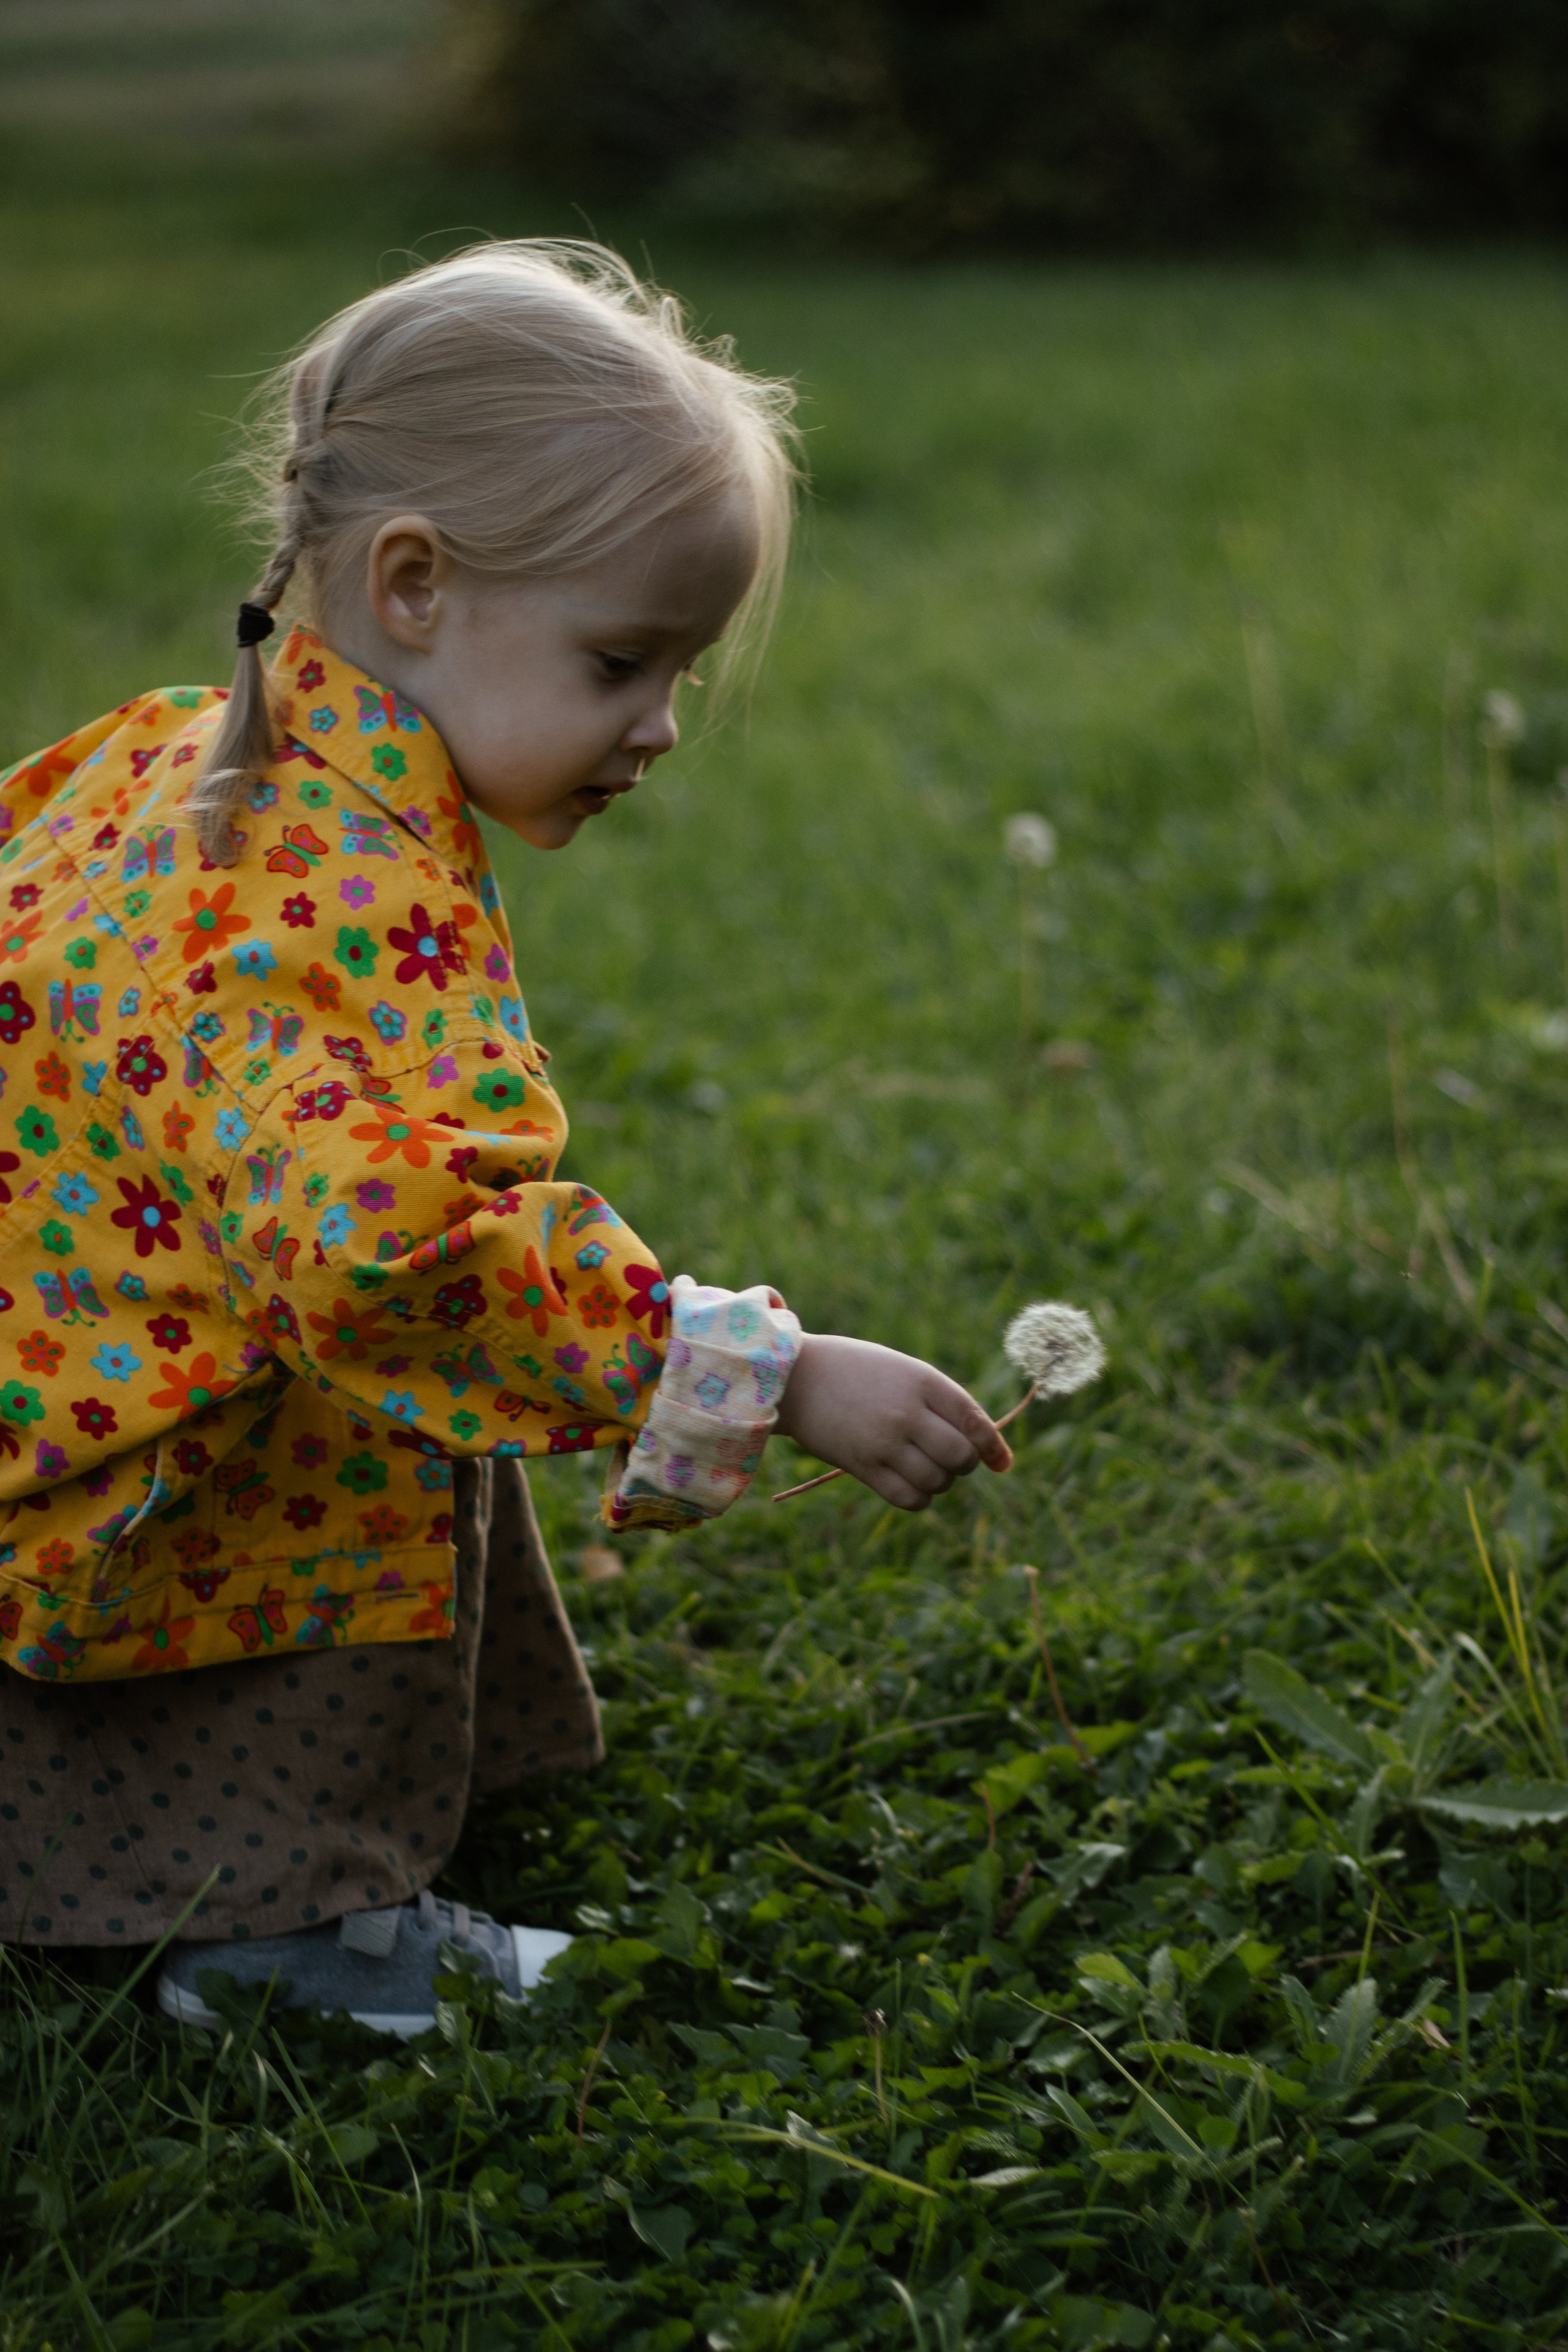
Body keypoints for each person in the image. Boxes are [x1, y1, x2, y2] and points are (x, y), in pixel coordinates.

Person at [0, 241, 1011, 2034]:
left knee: (366, 1408)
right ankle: (272, 1936)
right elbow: (414, 1267)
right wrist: (758, 1374)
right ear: (412, 585)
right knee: (349, 1429)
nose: (664, 724)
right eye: (622, 658)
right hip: (150, 1468)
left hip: (65, 1374)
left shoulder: (187, 756)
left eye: (680, 666)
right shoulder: (331, 900)